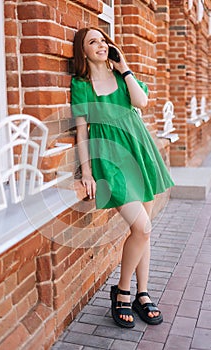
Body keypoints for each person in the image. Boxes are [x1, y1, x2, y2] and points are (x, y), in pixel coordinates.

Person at [71, 26, 174, 328]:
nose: (101, 45)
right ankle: (122, 293)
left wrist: (125, 66)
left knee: (145, 231)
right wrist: (87, 172)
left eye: (103, 40)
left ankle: (143, 293)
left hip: (140, 152)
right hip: (110, 158)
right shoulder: (81, 84)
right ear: (83, 51)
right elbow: (81, 131)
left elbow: (141, 103)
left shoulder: (121, 76)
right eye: (93, 42)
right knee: (141, 227)